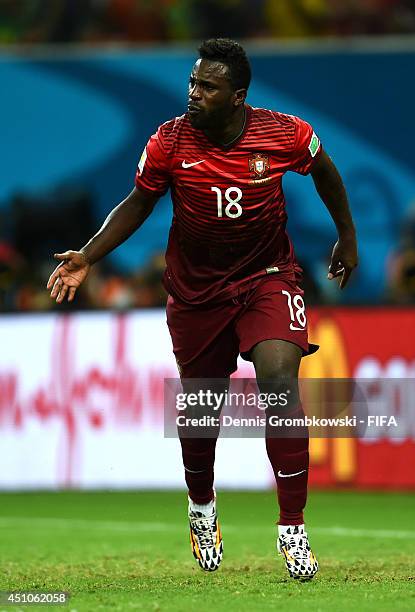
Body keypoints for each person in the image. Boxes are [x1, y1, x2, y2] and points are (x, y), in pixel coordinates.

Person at [47, 38, 358, 579]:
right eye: (192, 83)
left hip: (267, 276)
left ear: (237, 97)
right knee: (201, 407)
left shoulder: (286, 134)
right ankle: (201, 506)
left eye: (207, 87)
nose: (193, 94)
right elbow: (139, 201)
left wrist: (347, 238)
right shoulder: (169, 141)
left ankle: (292, 528)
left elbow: (327, 172)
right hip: (195, 292)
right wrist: (89, 257)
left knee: (280, 384)